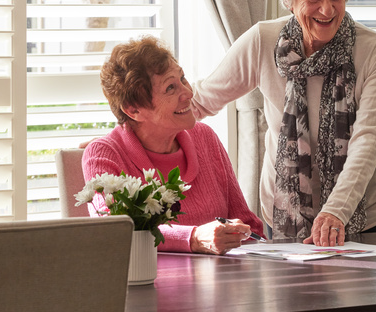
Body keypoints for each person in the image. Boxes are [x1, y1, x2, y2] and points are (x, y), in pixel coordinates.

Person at [192, 0, 376, 247]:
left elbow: (368, 138)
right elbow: (201, 101)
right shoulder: (263, 41)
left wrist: (335, 212)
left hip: (367, 214)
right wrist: (124, 132)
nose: (327, 10)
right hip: (285, 213)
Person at [83, 36, 265, 255]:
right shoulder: (103, 155)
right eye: (170, 88)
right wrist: (194, 238)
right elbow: (116, 230)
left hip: (221, 282)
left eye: (183, 79)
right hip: (149, 283)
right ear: (133, 110)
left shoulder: (205, 138)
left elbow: (249, 226)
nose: (188, 93)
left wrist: (245, 235)